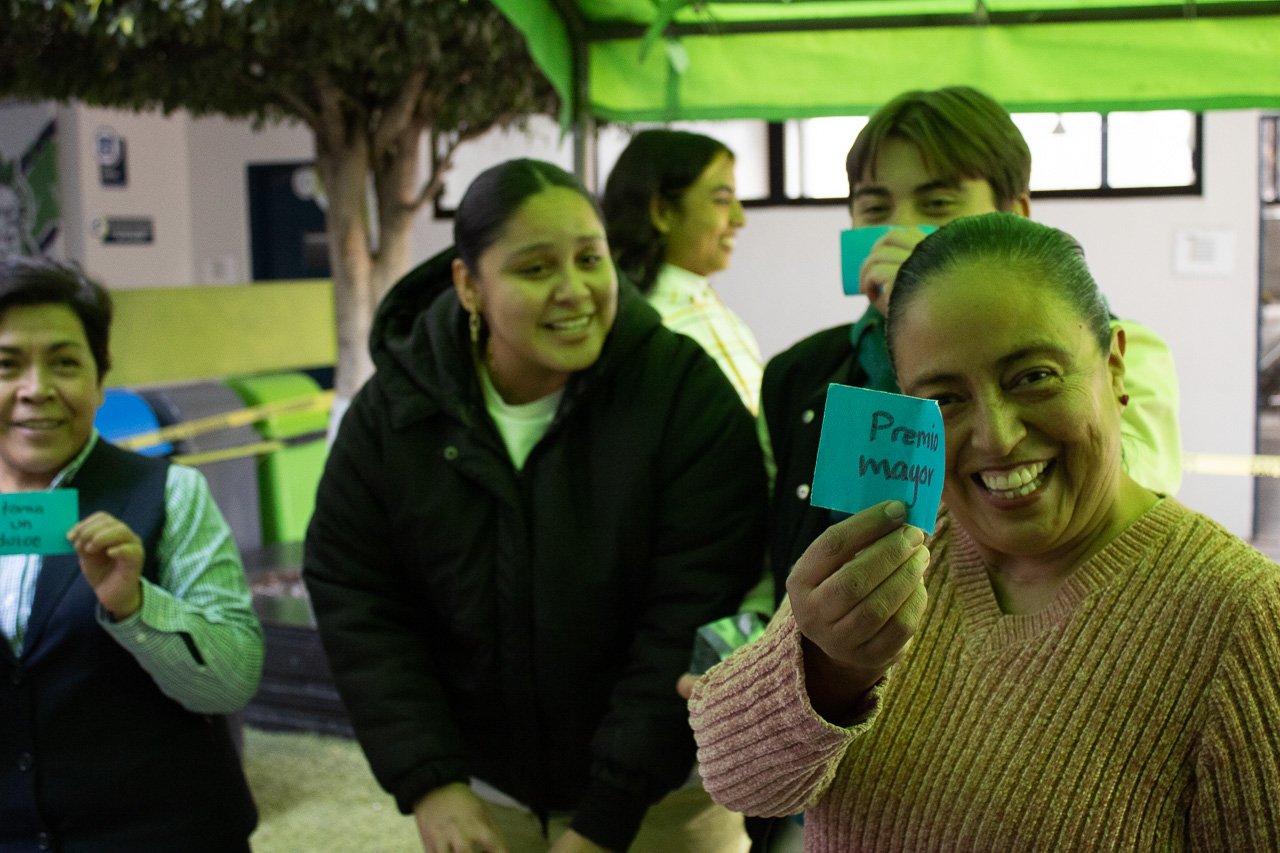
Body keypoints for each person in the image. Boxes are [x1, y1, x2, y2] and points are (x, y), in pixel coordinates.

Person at [690, 214, 1280, 850]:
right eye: (945, 399)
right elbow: (737, 783)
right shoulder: (897, 552)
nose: (997, 436)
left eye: (1034, 377)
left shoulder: (1242, 619)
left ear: (1115, 367)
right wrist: (830, 667)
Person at [303, 158, 766, 852]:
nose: (574, 290)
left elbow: (690, 611)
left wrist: (605, 816)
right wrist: (432, 781)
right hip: (487, 806)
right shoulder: (398, 412)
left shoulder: (681, 397)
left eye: (590, 258)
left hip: (661, 805)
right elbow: (357, 596)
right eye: (535, 269)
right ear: (469, 285)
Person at [762, 86, 1183, 601]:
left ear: (1016, 215)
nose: (899, 228)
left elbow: (1120, 499)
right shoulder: (801, 372)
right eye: (875, 208)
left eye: (937, 203)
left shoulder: (1113, 349)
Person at [0, 255, 262, 851]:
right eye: (6, 365)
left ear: (99, 377)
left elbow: (231, 682)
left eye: (64, 363)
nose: (35, 390)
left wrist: (136, 605)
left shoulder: (169, 495)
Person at [602, 129, 764, 414]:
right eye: (722, 200)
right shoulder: (640, 330)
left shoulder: (708, 303)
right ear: (662, 212)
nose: (740, 219)